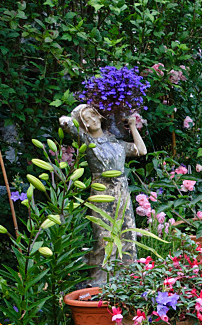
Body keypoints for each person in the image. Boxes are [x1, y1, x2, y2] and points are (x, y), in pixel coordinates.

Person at [59, 104, 147, 284]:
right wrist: (74, 118)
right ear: (83, 124)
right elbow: (65, 123)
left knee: (126, 236)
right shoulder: (87, 140)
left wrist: (132, 126)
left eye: (93, 115)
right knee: (104, 237)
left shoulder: (114, 141)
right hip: (102, 191)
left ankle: (125, 281)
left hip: (122, 191)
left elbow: (141, 150)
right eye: (86, 119)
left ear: (99, 116)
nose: (91, 120)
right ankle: (99, 282)